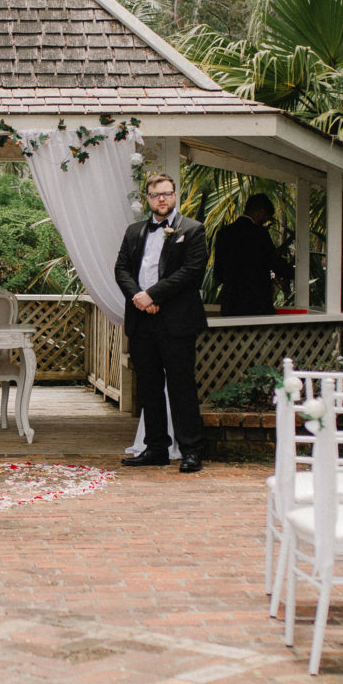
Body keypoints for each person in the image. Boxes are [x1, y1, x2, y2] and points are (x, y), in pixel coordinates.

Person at [114, 172, 208, 472]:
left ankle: (191, 451)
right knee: (149, 387)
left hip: (176, 321)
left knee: (182, 386)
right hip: (142, 321)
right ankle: (156, 448)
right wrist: (139, 297)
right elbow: (121, 269)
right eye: (156, 195)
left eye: (167, 193)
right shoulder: (134, 231)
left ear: (174, 195)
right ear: (148, 199)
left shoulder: (192, 230)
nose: (162, 199)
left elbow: (191, 272)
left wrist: (152, 295)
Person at [213, 193, 298, 317]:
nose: (265, 222)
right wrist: (294, 274)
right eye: (266, 218)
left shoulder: (223, 233)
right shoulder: (259, 234)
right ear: (260, 212)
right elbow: (274, 261)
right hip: (256, 304)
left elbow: (218, 272)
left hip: (231, 303)